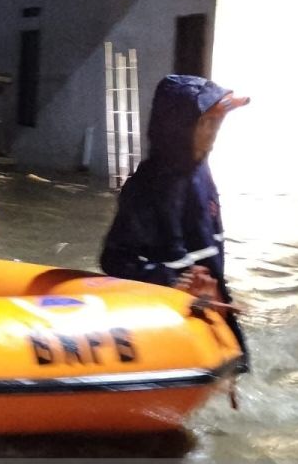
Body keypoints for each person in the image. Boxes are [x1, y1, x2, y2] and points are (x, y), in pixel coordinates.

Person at [99, 74, 250, 369]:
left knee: (237, 372)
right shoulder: (146, 188)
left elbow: (207, 248)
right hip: (170, 322)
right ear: (179, 130)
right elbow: (114, 259)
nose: (214, 132)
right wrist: (170, 280)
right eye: (207, 122)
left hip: (211, 305)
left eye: (217, 122)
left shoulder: (200, 170)